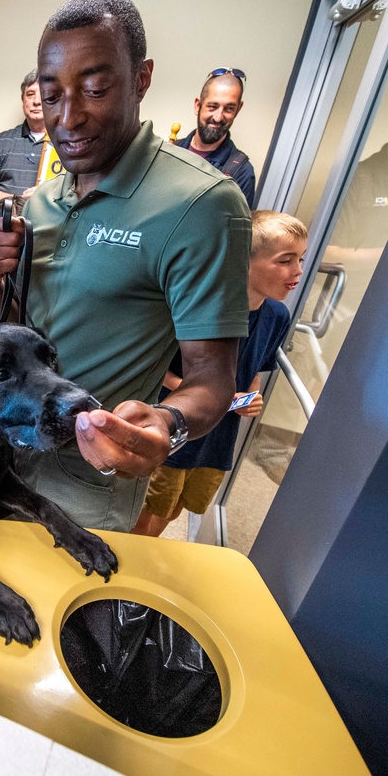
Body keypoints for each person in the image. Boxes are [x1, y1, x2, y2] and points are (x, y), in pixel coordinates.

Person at [0, 0, 251, 532]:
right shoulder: (41, 202)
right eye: (52, 96)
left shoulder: (203, 205)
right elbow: (5, 332)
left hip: (82, 485)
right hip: (1, 456)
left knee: (62, 616)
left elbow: (213, 378)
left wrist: (167, 424)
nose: (69, 117)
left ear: (142, 79)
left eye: (95, 89)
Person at [133, 211, 302, 536]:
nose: (298, 271)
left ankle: (151, 550)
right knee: (154, 501)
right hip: (179, 420)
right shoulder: (203, 306)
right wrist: (212, 395)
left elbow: (257, 366)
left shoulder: (278, 315)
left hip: (221, 433)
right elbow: (162, 370)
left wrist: (252, 397)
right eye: (285, 260)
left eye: (301, 259)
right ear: (243, 261)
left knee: (185, 500)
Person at [0, 70, 56, 209]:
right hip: (7, 226)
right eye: (30, 94)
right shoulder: (3, 141)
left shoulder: (66, 142)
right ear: (22, 99)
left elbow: (78, 191)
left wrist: (44, 195)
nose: (36, 101)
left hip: (50, 227)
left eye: (43, 94)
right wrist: (20, 201)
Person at [176, 69, 256, 206]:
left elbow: (235, 227)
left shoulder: (242, 172)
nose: (218, 117)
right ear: (197, 105)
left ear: (238, 109)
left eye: (229, 108)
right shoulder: (170, 150)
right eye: (212, 106)